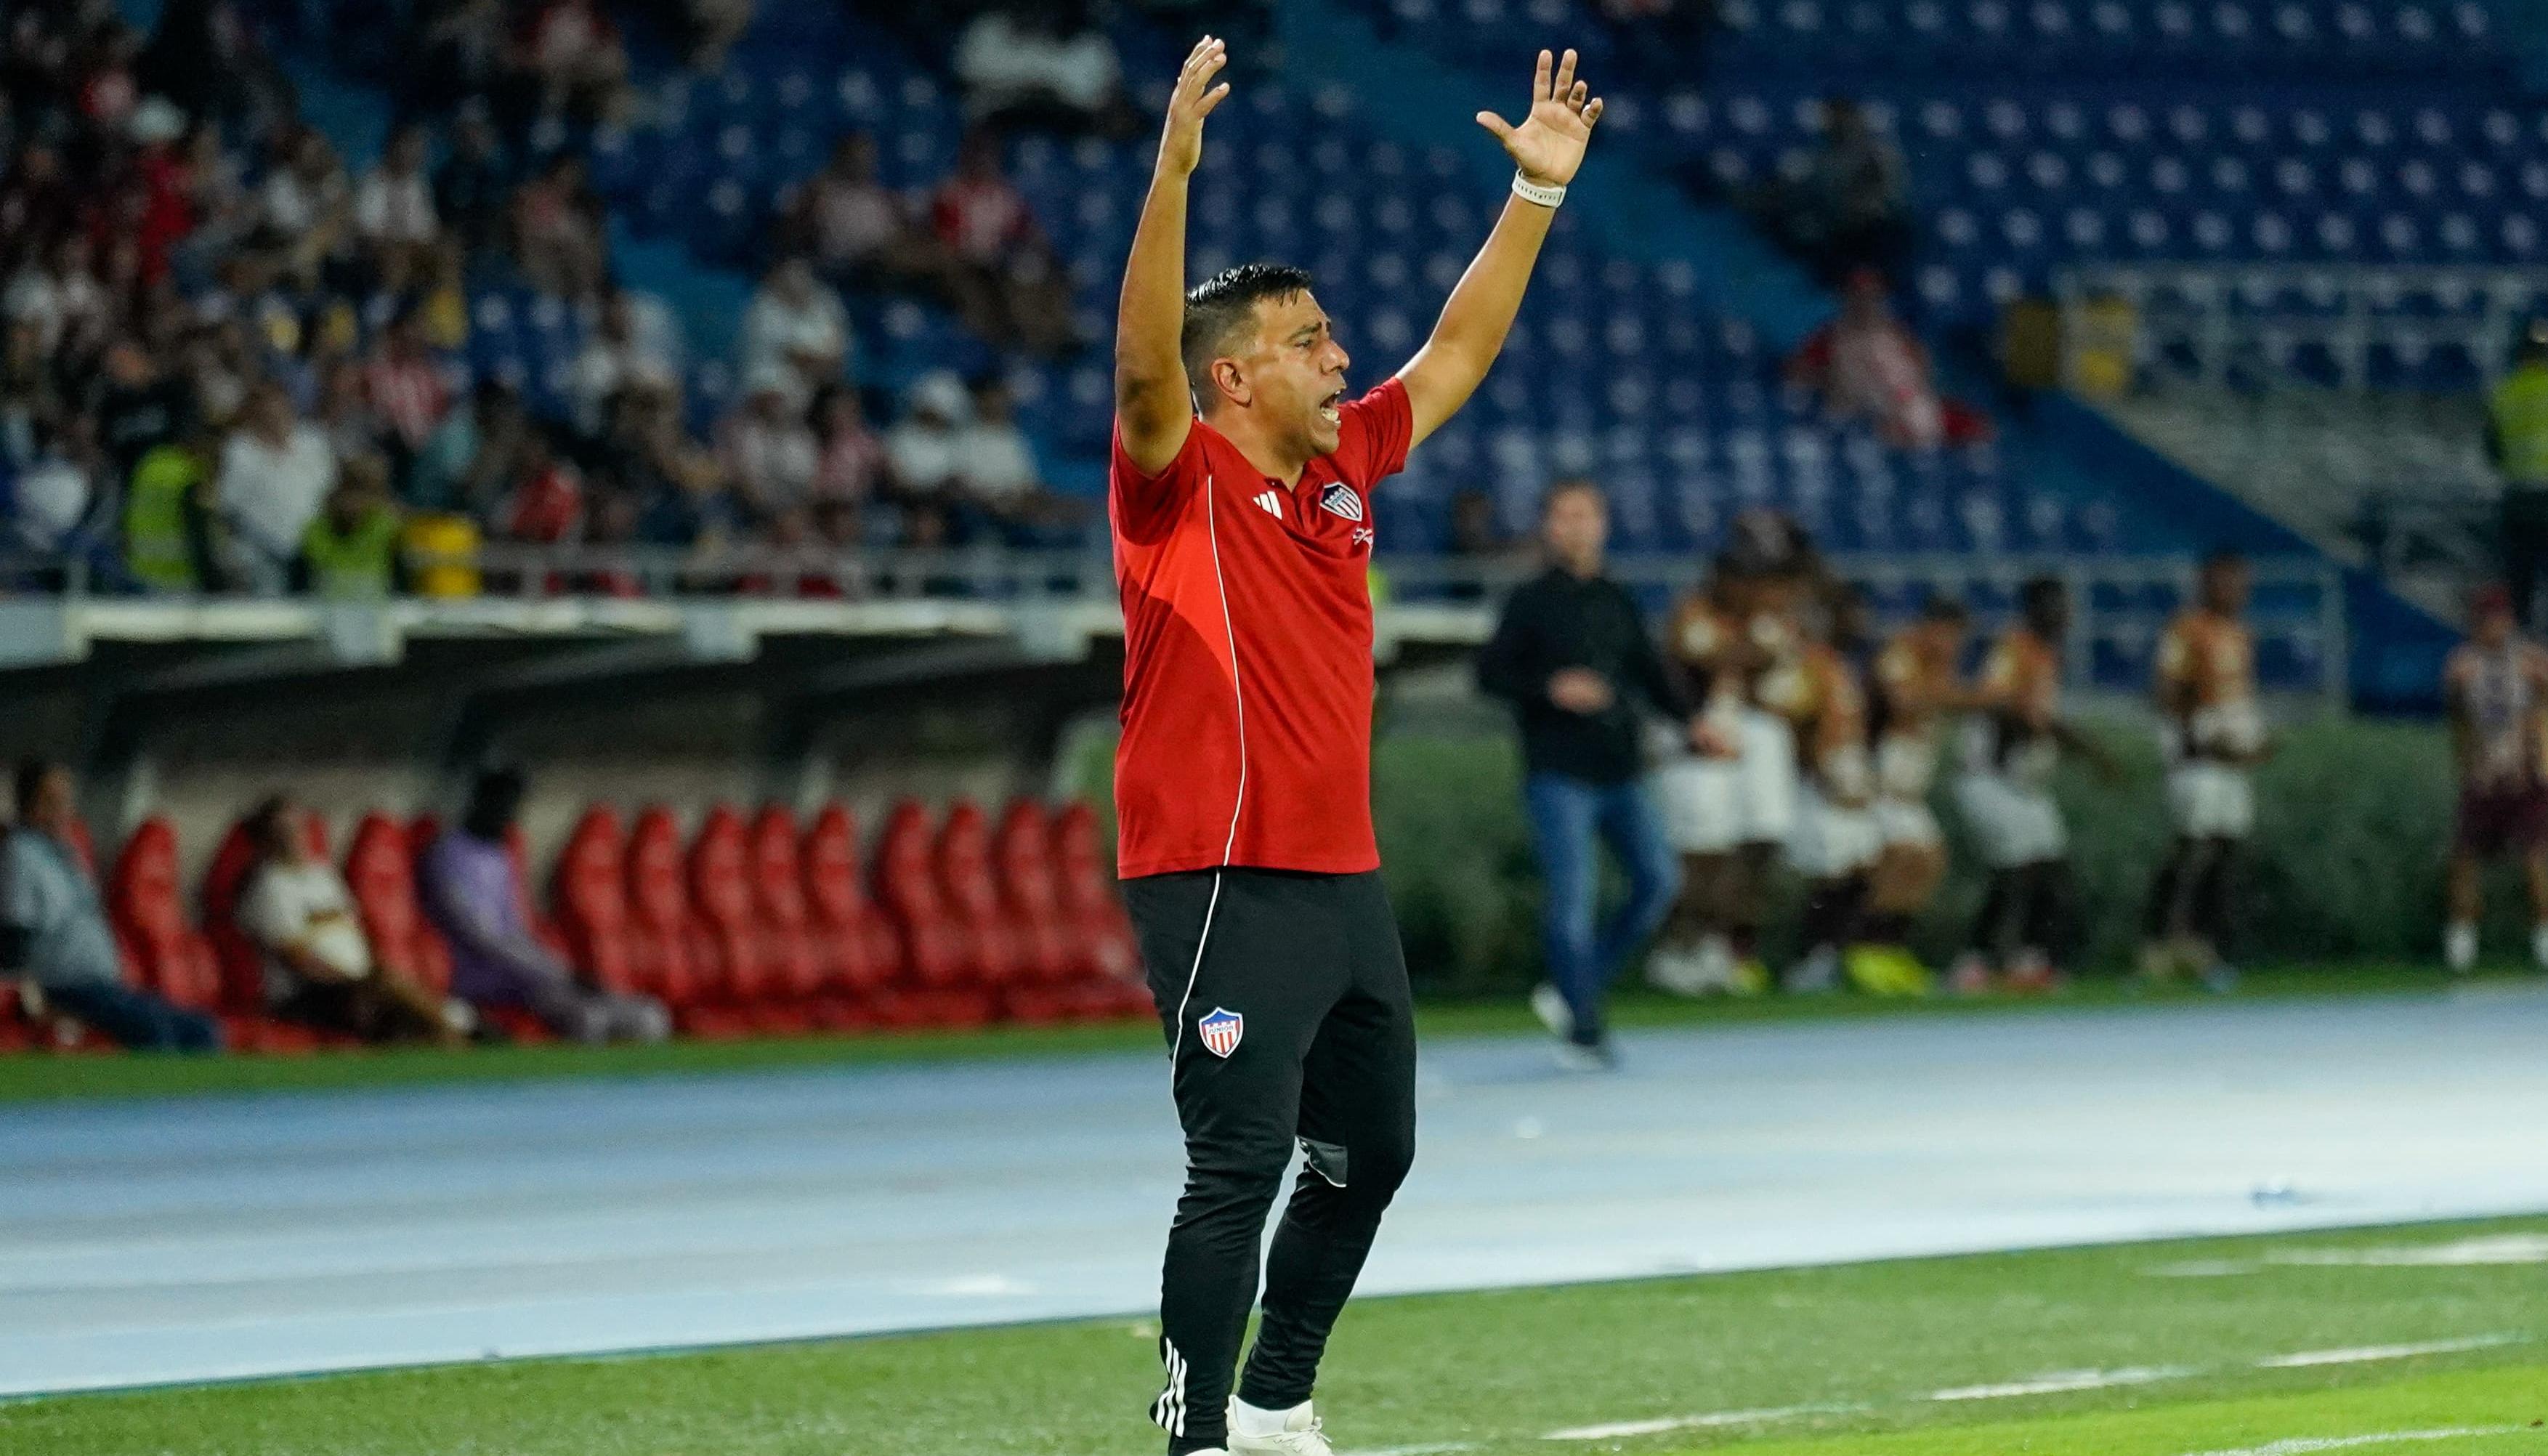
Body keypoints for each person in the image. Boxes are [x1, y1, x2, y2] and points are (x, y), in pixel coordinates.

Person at [1109, 37, 1601, 1456]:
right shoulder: (1170, 483)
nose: (1341, 352)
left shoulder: (1342, 467)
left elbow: (1455, 352)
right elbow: (1146, 361)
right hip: (1215, 876)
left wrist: (1536, 201)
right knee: (1236, 1164)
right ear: (1236, 375)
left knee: (1369, 1154)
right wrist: (1170, 180)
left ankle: (1275, 1402)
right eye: (1312, 338)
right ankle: (1192, 1436)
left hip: (1338, 876)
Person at [1475, 479, 1686, 1067]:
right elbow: (1488, 675)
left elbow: (1650, 674)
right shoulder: (1530, 601)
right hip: (1558, 772)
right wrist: (1549, 687)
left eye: (1585, 515)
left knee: (1656, 884)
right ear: (1549, 527)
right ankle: (1583, 1031)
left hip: (1620, 770)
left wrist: (1692, 725)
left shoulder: (1617, 598)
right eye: (1563, 515)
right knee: (1571, 902)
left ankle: (1574, 985)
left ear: (1602, 524)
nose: (1575, 526)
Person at [1649, 546, 1805, 996]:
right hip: (1692, 738)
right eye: (1747, 580)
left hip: (1742, 729)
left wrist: (1753, 652)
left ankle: (1717, 941)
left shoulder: (1764, 620)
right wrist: (1754, 650)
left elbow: (1779, 669)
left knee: (1760, 837)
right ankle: (1676, 949)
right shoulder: (1694, 611)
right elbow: (1706, 657)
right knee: (1701, 849)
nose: (1757, 591)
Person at [1949, 576, 2116, 995]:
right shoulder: (2015, 647)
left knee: (2050, 869)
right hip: (1989, 777)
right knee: (2018, 869)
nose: (2066, 615)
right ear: (2036, 608)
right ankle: (1976, 962)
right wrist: (2084, 749)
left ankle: (2031, 960)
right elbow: (1998, 700)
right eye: (2057, 606)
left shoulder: (2044, 655)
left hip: (2023, 786)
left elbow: (2036, 716)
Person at [420, 767, 670, 1043]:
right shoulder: (449, 854)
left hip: (531, 973)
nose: (509, 814)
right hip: (479, 975)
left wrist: (563, 971)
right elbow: (483, 936)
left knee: (649, 1015)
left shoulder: (499, 856)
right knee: (588, 1019)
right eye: (501, 803)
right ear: (481, 801)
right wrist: (556, 972)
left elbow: (516, 928)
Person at [0, 760, 222, 1051]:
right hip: (66, 987)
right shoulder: (21, 855)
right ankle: (147, 1098)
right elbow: (14, 935)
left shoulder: (65, 851)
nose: (63, 809)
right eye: (52, 800)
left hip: (104, 984)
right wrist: (28, 1000)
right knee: (155, 1033)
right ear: (30, 803)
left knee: (201, 1029)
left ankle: (196, 1099)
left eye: (66, 800)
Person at [2140, 550, 2273, 991]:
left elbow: (2239, 697)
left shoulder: (2241, 634)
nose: (2235, 591)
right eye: (2225, 581)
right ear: (2205, 583)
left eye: (2240, 582)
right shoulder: (2185, 629)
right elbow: (2167, 690)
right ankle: (2161, 944)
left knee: (2226, 850)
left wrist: (2252, 743)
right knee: (2192, 848)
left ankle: (2209, 948)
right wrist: (2195, 737)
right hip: (2199, 752)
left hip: (2231, 753)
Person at [236, 795, 468, 1043]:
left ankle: (453, 1027)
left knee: (393, 984)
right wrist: (356, 981)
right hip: (309, 993)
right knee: (389, 991)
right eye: (283, 830)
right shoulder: (268, 887)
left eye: (298, 826)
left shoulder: (322, 875)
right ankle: (453, 1031)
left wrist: (371, 972)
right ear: (266, 839)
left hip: (356, 983)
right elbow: (296, 959)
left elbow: (355, 930)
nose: (293, 837)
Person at [1852, 592, 1973, 993]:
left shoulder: (1938, 666)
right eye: (1950, 635)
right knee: (1900, 860)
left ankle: (1892, 950)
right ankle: (1866, 953)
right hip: (1884, 777)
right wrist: (1968, 697)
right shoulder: (1902, 653)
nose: (1953, 647)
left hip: (1910, 783)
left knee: (1929, 862)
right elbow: (1900, 702)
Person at [1777, 582, 1881, 995]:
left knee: (1861, 868)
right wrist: (1821, 773)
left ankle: (1828, 955)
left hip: (1847, 774)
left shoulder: (1840, 665)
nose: (1861, 624)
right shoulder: (1811, 665)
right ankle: (1809, 959)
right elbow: (1798, 723)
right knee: (1831, 871)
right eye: (1852, 615)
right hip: (1823, 782)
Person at [2440, 584, 2548, 973]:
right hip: (2484, 776)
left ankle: (2544, 938)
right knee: (2465, 858)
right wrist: (2465, 766)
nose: (2492, 627)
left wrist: (2539, 762)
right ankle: (2461, 943)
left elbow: (2539, 716)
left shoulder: (2531, 661)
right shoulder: (2463, 665)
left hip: (2523, 774)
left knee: (2536, 856)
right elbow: (2459, 723)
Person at [2487, 322, 2548, 629]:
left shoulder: (2504, 393)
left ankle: (2523, 650)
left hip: (2519, 501)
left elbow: (2493, 452)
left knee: (2520, 586)